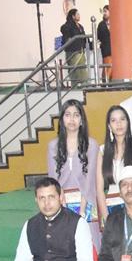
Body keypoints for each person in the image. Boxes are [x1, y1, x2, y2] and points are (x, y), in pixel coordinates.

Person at [47, 99, 100, 247]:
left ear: (82, 120)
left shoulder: (91, 145)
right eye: (68, 115)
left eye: (76, 115)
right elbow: (53, 180)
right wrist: (62, 206)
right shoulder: (53, 146)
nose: (72, 119)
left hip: (86, 202)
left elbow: (90, 181)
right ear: (62, 119)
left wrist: (82, 210)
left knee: (89, 244)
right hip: (61, 203)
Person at [96, 105, 132, 225]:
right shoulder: (102, 151)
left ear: (128, 122)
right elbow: (99, 189)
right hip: (110, 209)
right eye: (114, 120)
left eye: (122, 119)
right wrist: (107, 217)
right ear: (109, 126)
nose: (119, 124)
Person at [60, 8, 89, 86]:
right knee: (75, 71)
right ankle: (75, 86)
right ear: (73, 16)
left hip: (81, 51)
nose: (79, 16)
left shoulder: (80, 26)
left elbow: (84, 37)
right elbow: (63, 29)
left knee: (82, 69)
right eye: (77, 14)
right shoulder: (68, 26)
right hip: (73, 52)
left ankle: (84, 85)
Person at [96, 5, 112, 81]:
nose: (104, 13)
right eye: (103, 12)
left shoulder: (115, 22)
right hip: (106, 49)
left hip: (115, 50)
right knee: (107, 67)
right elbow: (99, 36)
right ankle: (105, 83)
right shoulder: (101, 24)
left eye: (106, 11)